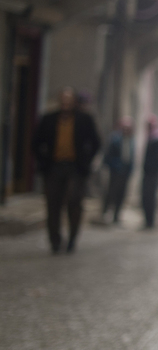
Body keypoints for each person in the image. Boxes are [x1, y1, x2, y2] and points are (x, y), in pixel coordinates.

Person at [33, 87, 102, 253]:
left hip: (75, 168)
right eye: (63, 100)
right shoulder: (49, 119)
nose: (66, 103)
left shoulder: (84, 120)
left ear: (73, 102)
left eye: (69, 100)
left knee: (74, 201)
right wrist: (43, 162)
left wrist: (86, 162)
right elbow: (35, 143)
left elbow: (96, 143)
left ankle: (72, 237)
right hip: (54, 167)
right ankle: (55, 241)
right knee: (53, 205)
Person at [102, 116, 134, 224]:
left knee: (121, 194)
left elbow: (131, 157)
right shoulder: (115, 139)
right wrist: (114, 166)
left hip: (125, 172)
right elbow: (108, 156)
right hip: (115, 171)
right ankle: (105, 213)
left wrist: (130, 170)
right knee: (111, 193)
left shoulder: (131, 140)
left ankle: (116, 215)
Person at [141, 117, 158, 230]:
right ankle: (147, 220)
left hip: (153, 174)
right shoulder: (151, 137)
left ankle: (150, 221)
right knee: (146, 197)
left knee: (150, 198)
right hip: (148, 174)